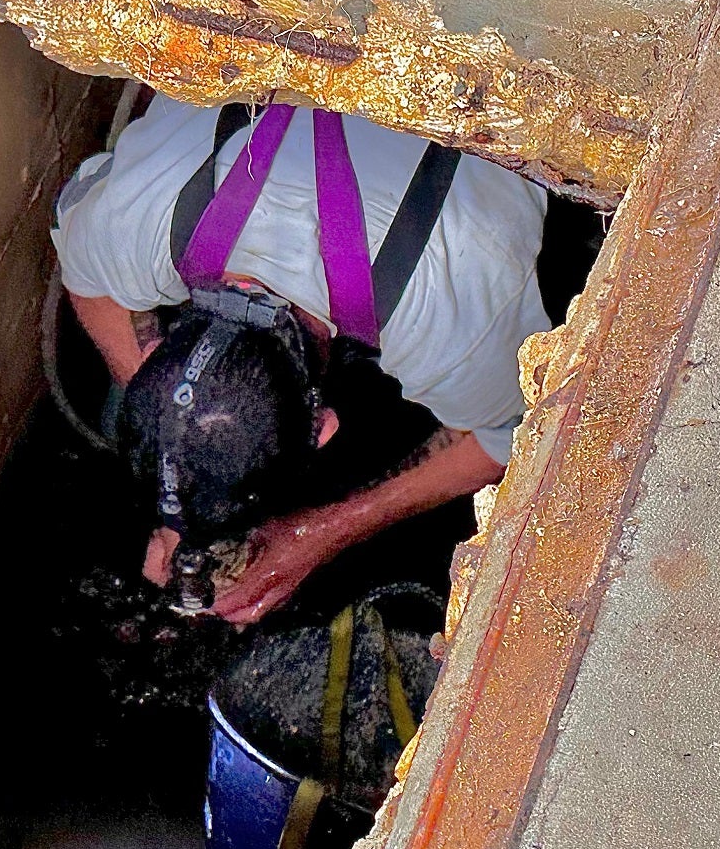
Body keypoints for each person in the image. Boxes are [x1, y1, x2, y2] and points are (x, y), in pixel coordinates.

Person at [52, 93, 552, 625]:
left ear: (324, 429)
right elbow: (86, 270)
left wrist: (317, 535)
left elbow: (513, 437)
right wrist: (181, 463)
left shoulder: (452, 324)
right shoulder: (141, 222)